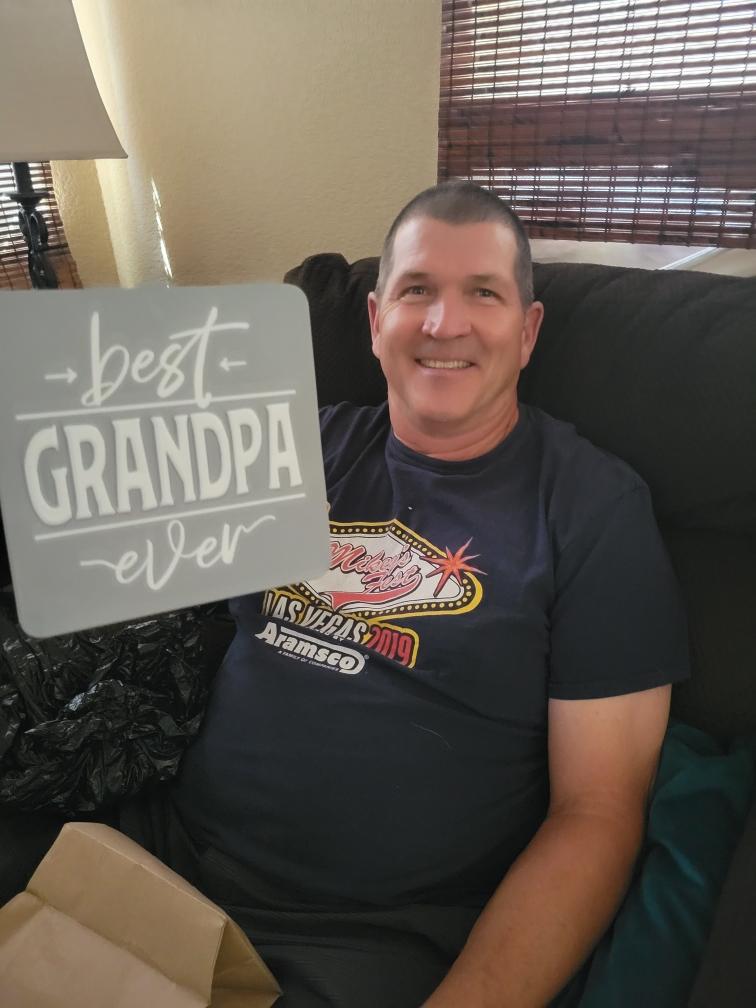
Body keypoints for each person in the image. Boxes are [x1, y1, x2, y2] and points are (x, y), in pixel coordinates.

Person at [167, 181, 690, 1007]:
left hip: (373, 941)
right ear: (376, 322)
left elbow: (598, 814)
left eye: (483, 293)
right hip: (164, 860)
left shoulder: (593, 510)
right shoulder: (294, 449)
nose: (445, 324)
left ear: (528, 331)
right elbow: (151, 568)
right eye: (417, 291)